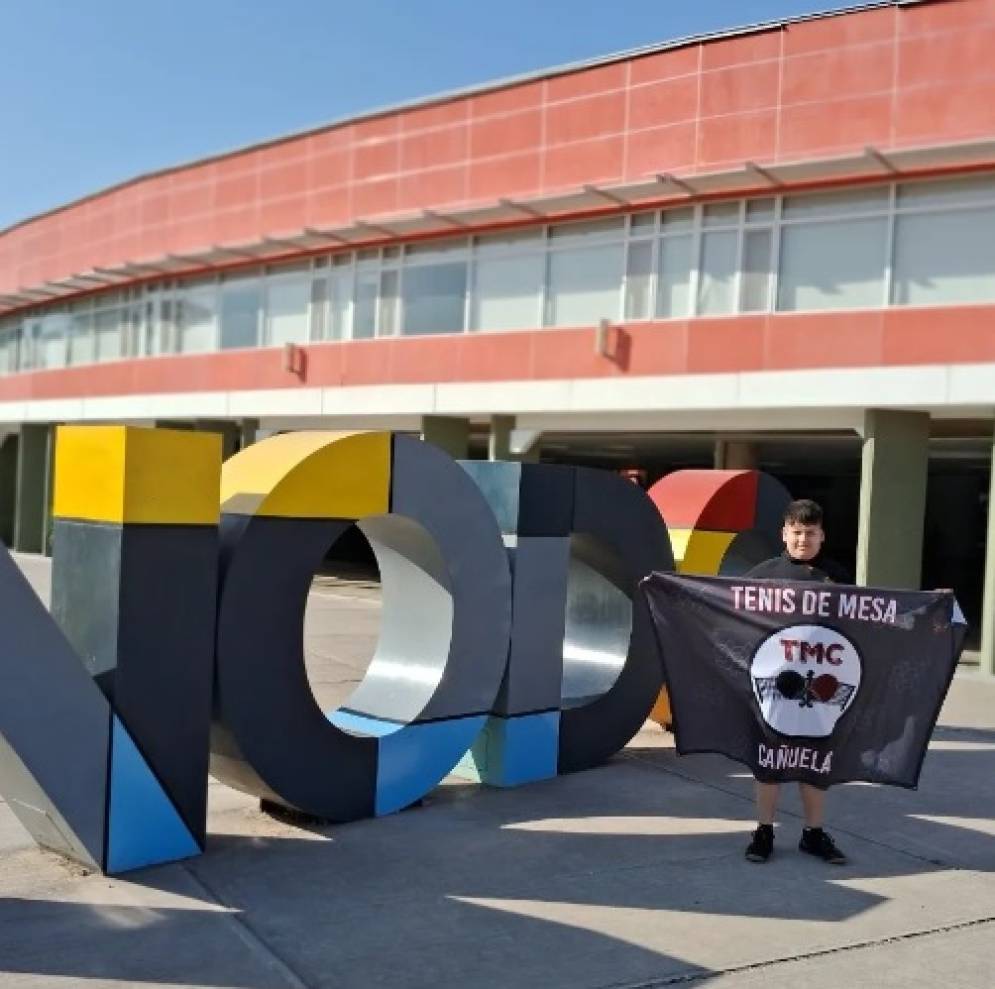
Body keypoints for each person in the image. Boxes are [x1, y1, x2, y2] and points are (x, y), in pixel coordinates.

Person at [742, 498, 849, 866]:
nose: (804, 539)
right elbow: (720, 609)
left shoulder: (836, 576)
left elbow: (870, 619)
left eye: (811, 533)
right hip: (773, 690)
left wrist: (930, 607)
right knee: (769, 763)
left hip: (821, 691)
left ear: (822, 536)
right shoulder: (762, 574)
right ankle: (763, 831)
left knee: (815, 764)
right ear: (784, 533)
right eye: (798, 532)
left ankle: (814, 835)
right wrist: (667, 589)